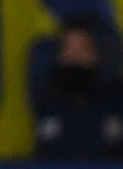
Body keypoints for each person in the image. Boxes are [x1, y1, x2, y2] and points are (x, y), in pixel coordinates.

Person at [31, 16, 123, 159]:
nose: (75, 56)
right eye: (68, 49)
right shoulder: (47, 102)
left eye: (83, 49)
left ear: (98, 54)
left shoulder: (116, 101)